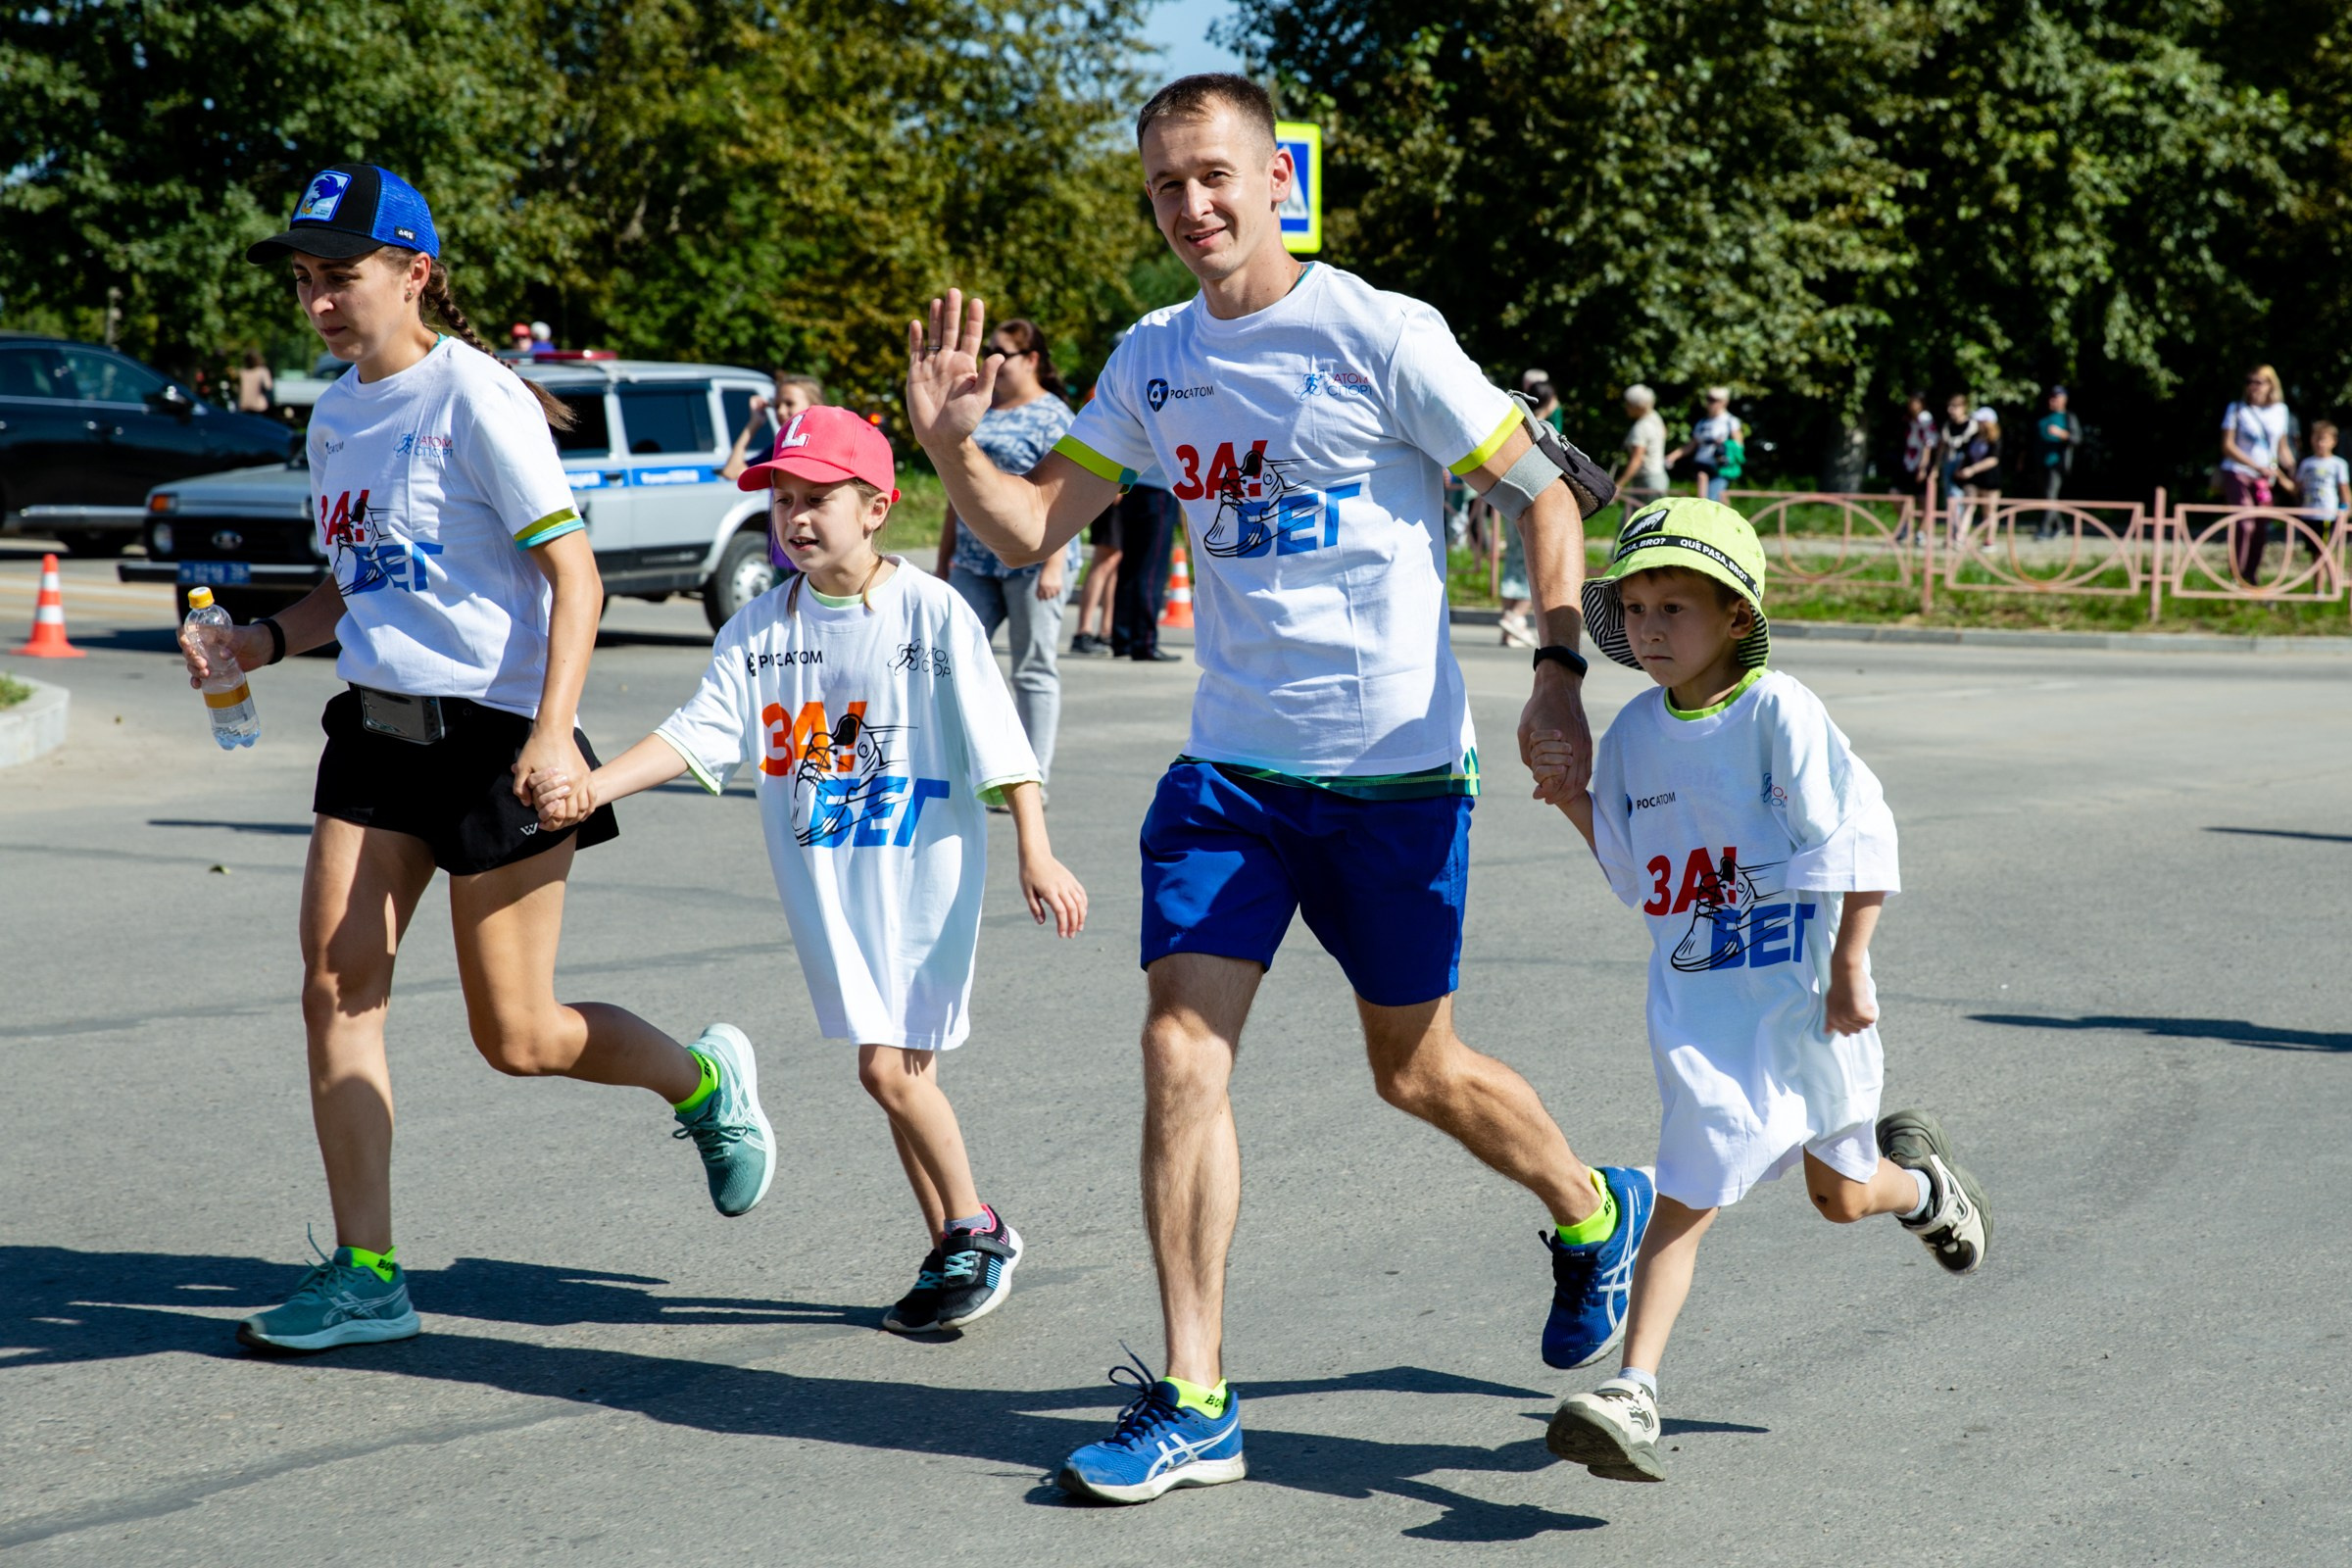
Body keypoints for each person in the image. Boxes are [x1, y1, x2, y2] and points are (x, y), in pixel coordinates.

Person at [905, 72, 1652, 1505]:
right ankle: (1196, 1399)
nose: (1190, 206)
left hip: (1394, 780)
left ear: (1273, 184)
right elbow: (1028, 533)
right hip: (1231, 774)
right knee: (1180, 1049)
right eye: (1164, 186)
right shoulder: (1149, 360)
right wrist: (948, 441)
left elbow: (1543, 489)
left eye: (1212, 177)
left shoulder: (1380, 332)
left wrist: (1557, 671)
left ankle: (1590, 1203)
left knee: (1416, 1071)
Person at [183, 164, 773, 1355]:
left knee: (520, 1037)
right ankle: (367, 1274)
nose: (318, 304)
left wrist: (554, 735)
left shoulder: (479, 399)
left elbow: (577, 578)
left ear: (415, 272)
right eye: (304, 280)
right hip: (375, 732)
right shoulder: (335, 412)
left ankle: (704, 1081)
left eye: (340, 278)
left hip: (496, 740)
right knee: (336, 986)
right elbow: (354, 584)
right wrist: (258, 637)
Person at [529, 405, 1087, 1335]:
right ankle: (950, 1243)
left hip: (920, 876)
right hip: (829, 884)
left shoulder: (929, 610)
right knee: (895, 1073)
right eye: (783, 499)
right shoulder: (757, 628)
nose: (795, 517)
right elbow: (696, 733)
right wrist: (592, 787)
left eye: (817, 498)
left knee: (891, 1067)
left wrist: (1035, 843)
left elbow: (1000, 736)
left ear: (876, 507)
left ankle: (980, 1230)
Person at [1530, 498, 1991, 1484]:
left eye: (1675, 609)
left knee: (1841, 1196)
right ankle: (1633, 1390)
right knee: (1682, 1199)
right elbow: (1633, 875)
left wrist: (1850, 966)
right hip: (1703, 1014)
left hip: (1808, 1004)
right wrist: (1572, 794)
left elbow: (1855, 840)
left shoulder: (1780, 711)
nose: (1650, 630)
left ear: (1737, 616)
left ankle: (1923, 1188)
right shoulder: (1637, 734)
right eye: (1637, 608)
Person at [934, 318, 1078, 791]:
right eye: (988, 351)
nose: (991, 361)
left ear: (1032, 359)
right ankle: (966, 769)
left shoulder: (1054, 414)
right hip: (975, 561)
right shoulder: (984, 409)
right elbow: (960, 492)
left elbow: (1069, 493)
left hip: (1035, 561)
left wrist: (1055, 562)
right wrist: (944, 559)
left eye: (1003, 352)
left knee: (1033, 668)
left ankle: (1031, 779)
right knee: (952, 659)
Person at [1496, 379, 1561, 648]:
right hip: (1534, 499)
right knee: (1535, 558)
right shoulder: (1543, 429)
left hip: (1507, 497)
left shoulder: (1514, 422)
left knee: (1514, 558)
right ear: (1549, 401)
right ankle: (1516, 615)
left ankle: (1510, 628)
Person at [2221, 366, 2294, 583]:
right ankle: (2235, 574)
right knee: (2245, 523)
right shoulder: (2236, 409)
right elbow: (2227, 446)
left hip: (2265, 479)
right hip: (2238, 471)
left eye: (2258, 382)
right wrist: (2255, 466)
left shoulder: (2280, 410)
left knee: (2262, 527)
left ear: (2271, 385)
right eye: (2249, 381)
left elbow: (2281, 448)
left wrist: (2294, 474)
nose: (2252, 386)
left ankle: (2250, 575)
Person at [1109, 461, 1182, 661]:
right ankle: (1144, 643)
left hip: (1133, 491)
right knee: (1150, 572)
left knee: (1129, 570)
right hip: (1158, 493)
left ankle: (1122, 639)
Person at [719, 371, 823, 483]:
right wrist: (754, 423)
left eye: (789, 404)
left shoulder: (826, 447)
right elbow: (731, 472)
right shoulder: (779, 450)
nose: (780, 411)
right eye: (776, 405)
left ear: (814, 405)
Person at [1666, 387, 1740, 504]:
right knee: (1705, 500)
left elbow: (1738, 447)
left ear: (1724, 402)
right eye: (1708, 399)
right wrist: (1672, 457)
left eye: (1714, 400)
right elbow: (1690, 445)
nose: (1710, 403)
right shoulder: (1702, 422)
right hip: (1701, 466)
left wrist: (1723, 447)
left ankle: (1732, 521)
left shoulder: (1730, 421)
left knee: (1712, 500)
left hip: (1720, 468)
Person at [1067, 497, 1121, 655]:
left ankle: (1106, 630)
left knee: (1114, 560)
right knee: (1104, 559)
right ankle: (1083, 631)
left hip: (1125, 493)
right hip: (1115, 488)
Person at [1615, 384, 1670, 527]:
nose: (1626, 407)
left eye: (1629, 404)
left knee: (1631, 526)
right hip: (1659, 477)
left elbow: (1636, 460)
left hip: (1647, 482)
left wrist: (1619, 485)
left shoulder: (1641, 428)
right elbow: (1665, 434)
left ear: (1639, 406)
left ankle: (1619, 550)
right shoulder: (1656, 417)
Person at [2291, 420, 2346, 563]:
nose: (2320, 444)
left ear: (2333, 441)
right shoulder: (2306, 463)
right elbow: (2296, 488)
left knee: (2326, 552)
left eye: (2324, 440)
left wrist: (2345, 509)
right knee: (2314, 554)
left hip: (2327, 513)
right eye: (2316, 439)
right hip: (2309, 513)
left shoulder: (2338, 464)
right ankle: (2318, 585)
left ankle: (2335, 583)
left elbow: (2344, 489)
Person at [2032, 386, 2081, 539]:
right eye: (2051, 397)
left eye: (2056, 397)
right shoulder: (2043, 417)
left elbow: (2077, 439)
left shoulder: (2068, 417)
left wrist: (2061, 433)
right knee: (2046, 496)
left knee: (2050, 494)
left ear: (2064, 400)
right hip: (2041, 463)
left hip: (2057, 463)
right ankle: (2059, 527)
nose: (2052, 400)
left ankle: (2044, 529)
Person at [1951, 408, 2002, 543]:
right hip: (1973, 479)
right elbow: (1967, 456)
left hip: (1990, 479)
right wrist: (1961, 469)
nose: (1978, 423)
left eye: (1981, 421)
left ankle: (1989, 540)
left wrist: (1973, 469)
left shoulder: (1996, 439)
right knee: (1969, 506)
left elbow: (1993, 459)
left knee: (1989, 511)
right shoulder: (1974, 437)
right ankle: (1960, 537)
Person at [1895, 391, 1936, 543]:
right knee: (1897, 494)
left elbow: (1928, 443)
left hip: (1919, 463)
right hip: (1908, 461)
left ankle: (1921, 532)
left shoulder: (1925, 418)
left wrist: (1923, 467)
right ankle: (1906, 525)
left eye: (1915, 402)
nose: (1911, 405)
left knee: (1923, 499)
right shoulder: (1908, 419)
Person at [235, 349, 274, 414]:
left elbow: (237, 389)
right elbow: (268, 387)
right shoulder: (262, 371)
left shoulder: (242, 372)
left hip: (243, 406)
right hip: (259, 407)